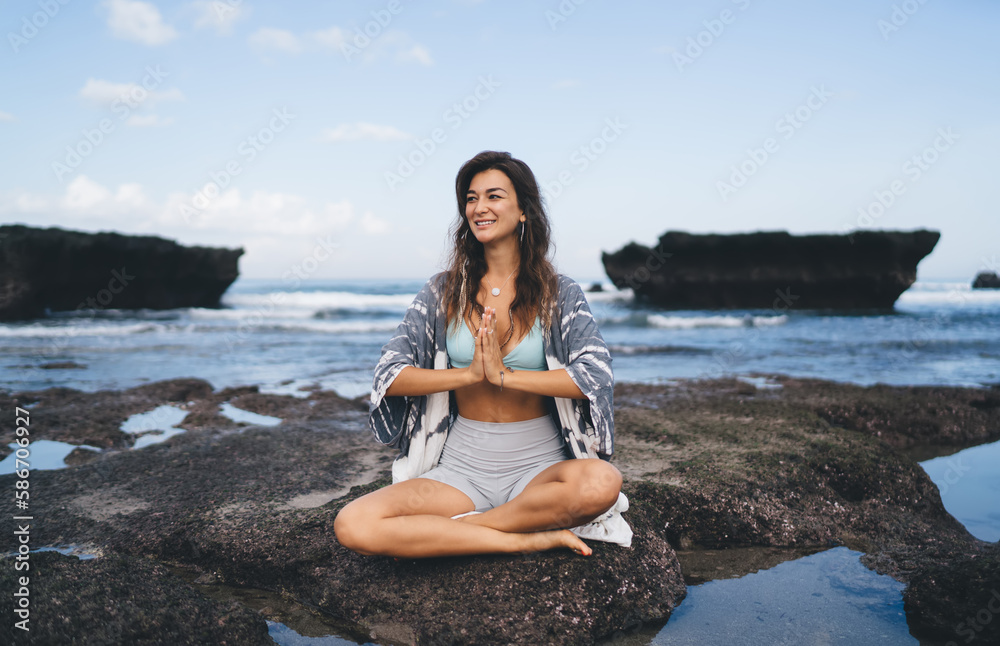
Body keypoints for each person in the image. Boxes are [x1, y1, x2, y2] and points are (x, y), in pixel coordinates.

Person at [334, 151, 630, 559]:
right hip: (459, 470)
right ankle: (523, 536)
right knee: (352, 524)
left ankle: (470, 529)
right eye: (471, 199)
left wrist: (505, 376)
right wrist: (470, 374)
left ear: (524, 210)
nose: (479, 208)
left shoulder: (559, 294)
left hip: (538, 468)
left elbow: (594, 376)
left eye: (494, 196)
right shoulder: (442, 292)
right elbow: (390, 374)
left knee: (601, 482)